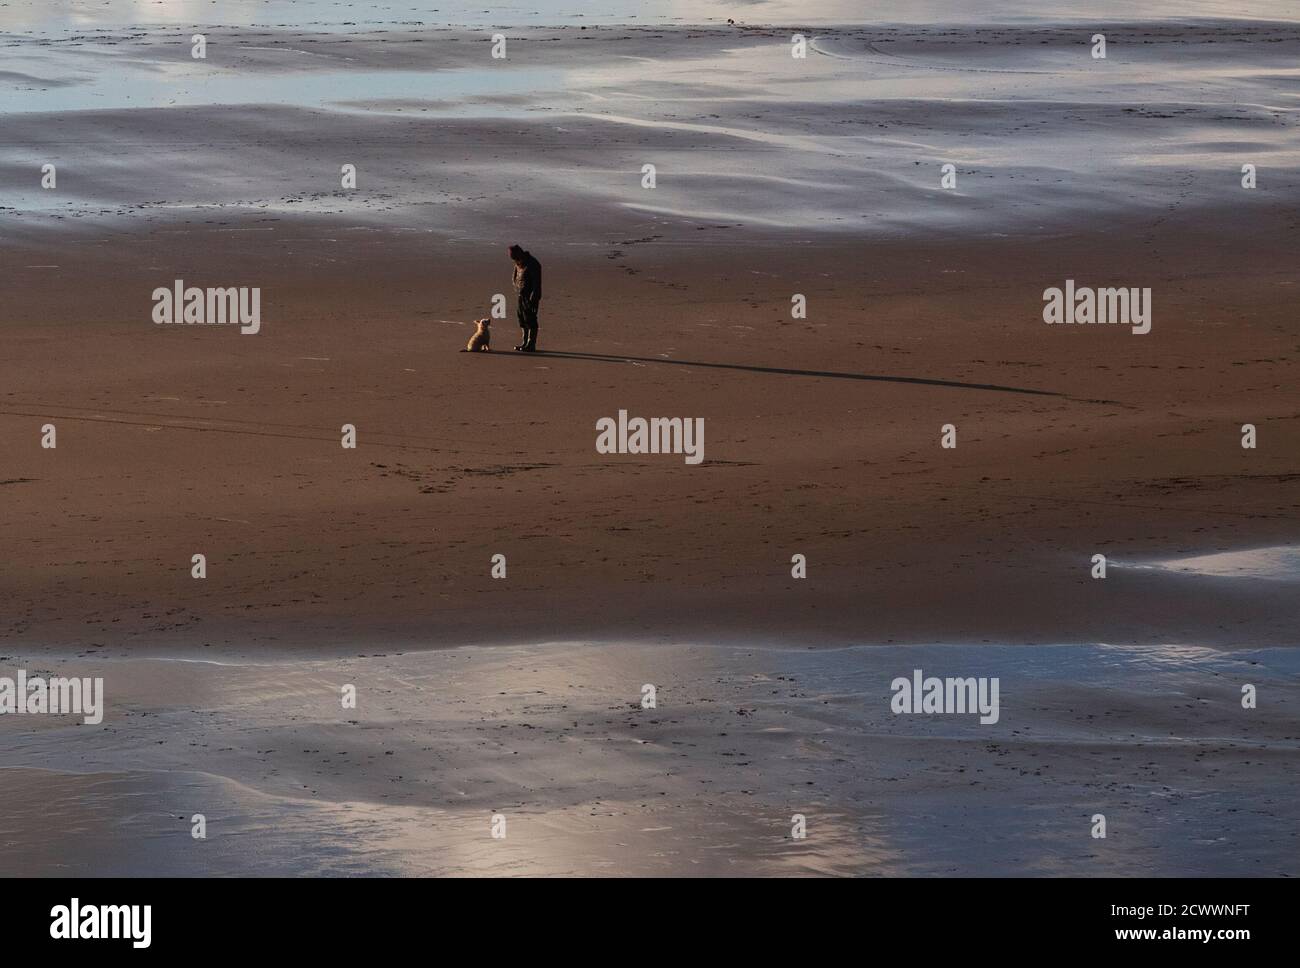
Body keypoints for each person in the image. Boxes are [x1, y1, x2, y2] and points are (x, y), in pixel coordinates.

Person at [508, 243, 541, 352]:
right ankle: (525, 342)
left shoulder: (533, 264)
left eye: (515, 258)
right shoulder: (518, 262)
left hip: (530, 296)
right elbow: (515, 277)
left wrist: (534, 298)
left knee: (530, 318)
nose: (514, 261)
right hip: (521, 295)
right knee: (521, 318)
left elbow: (537, 284)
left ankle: (531, 344)